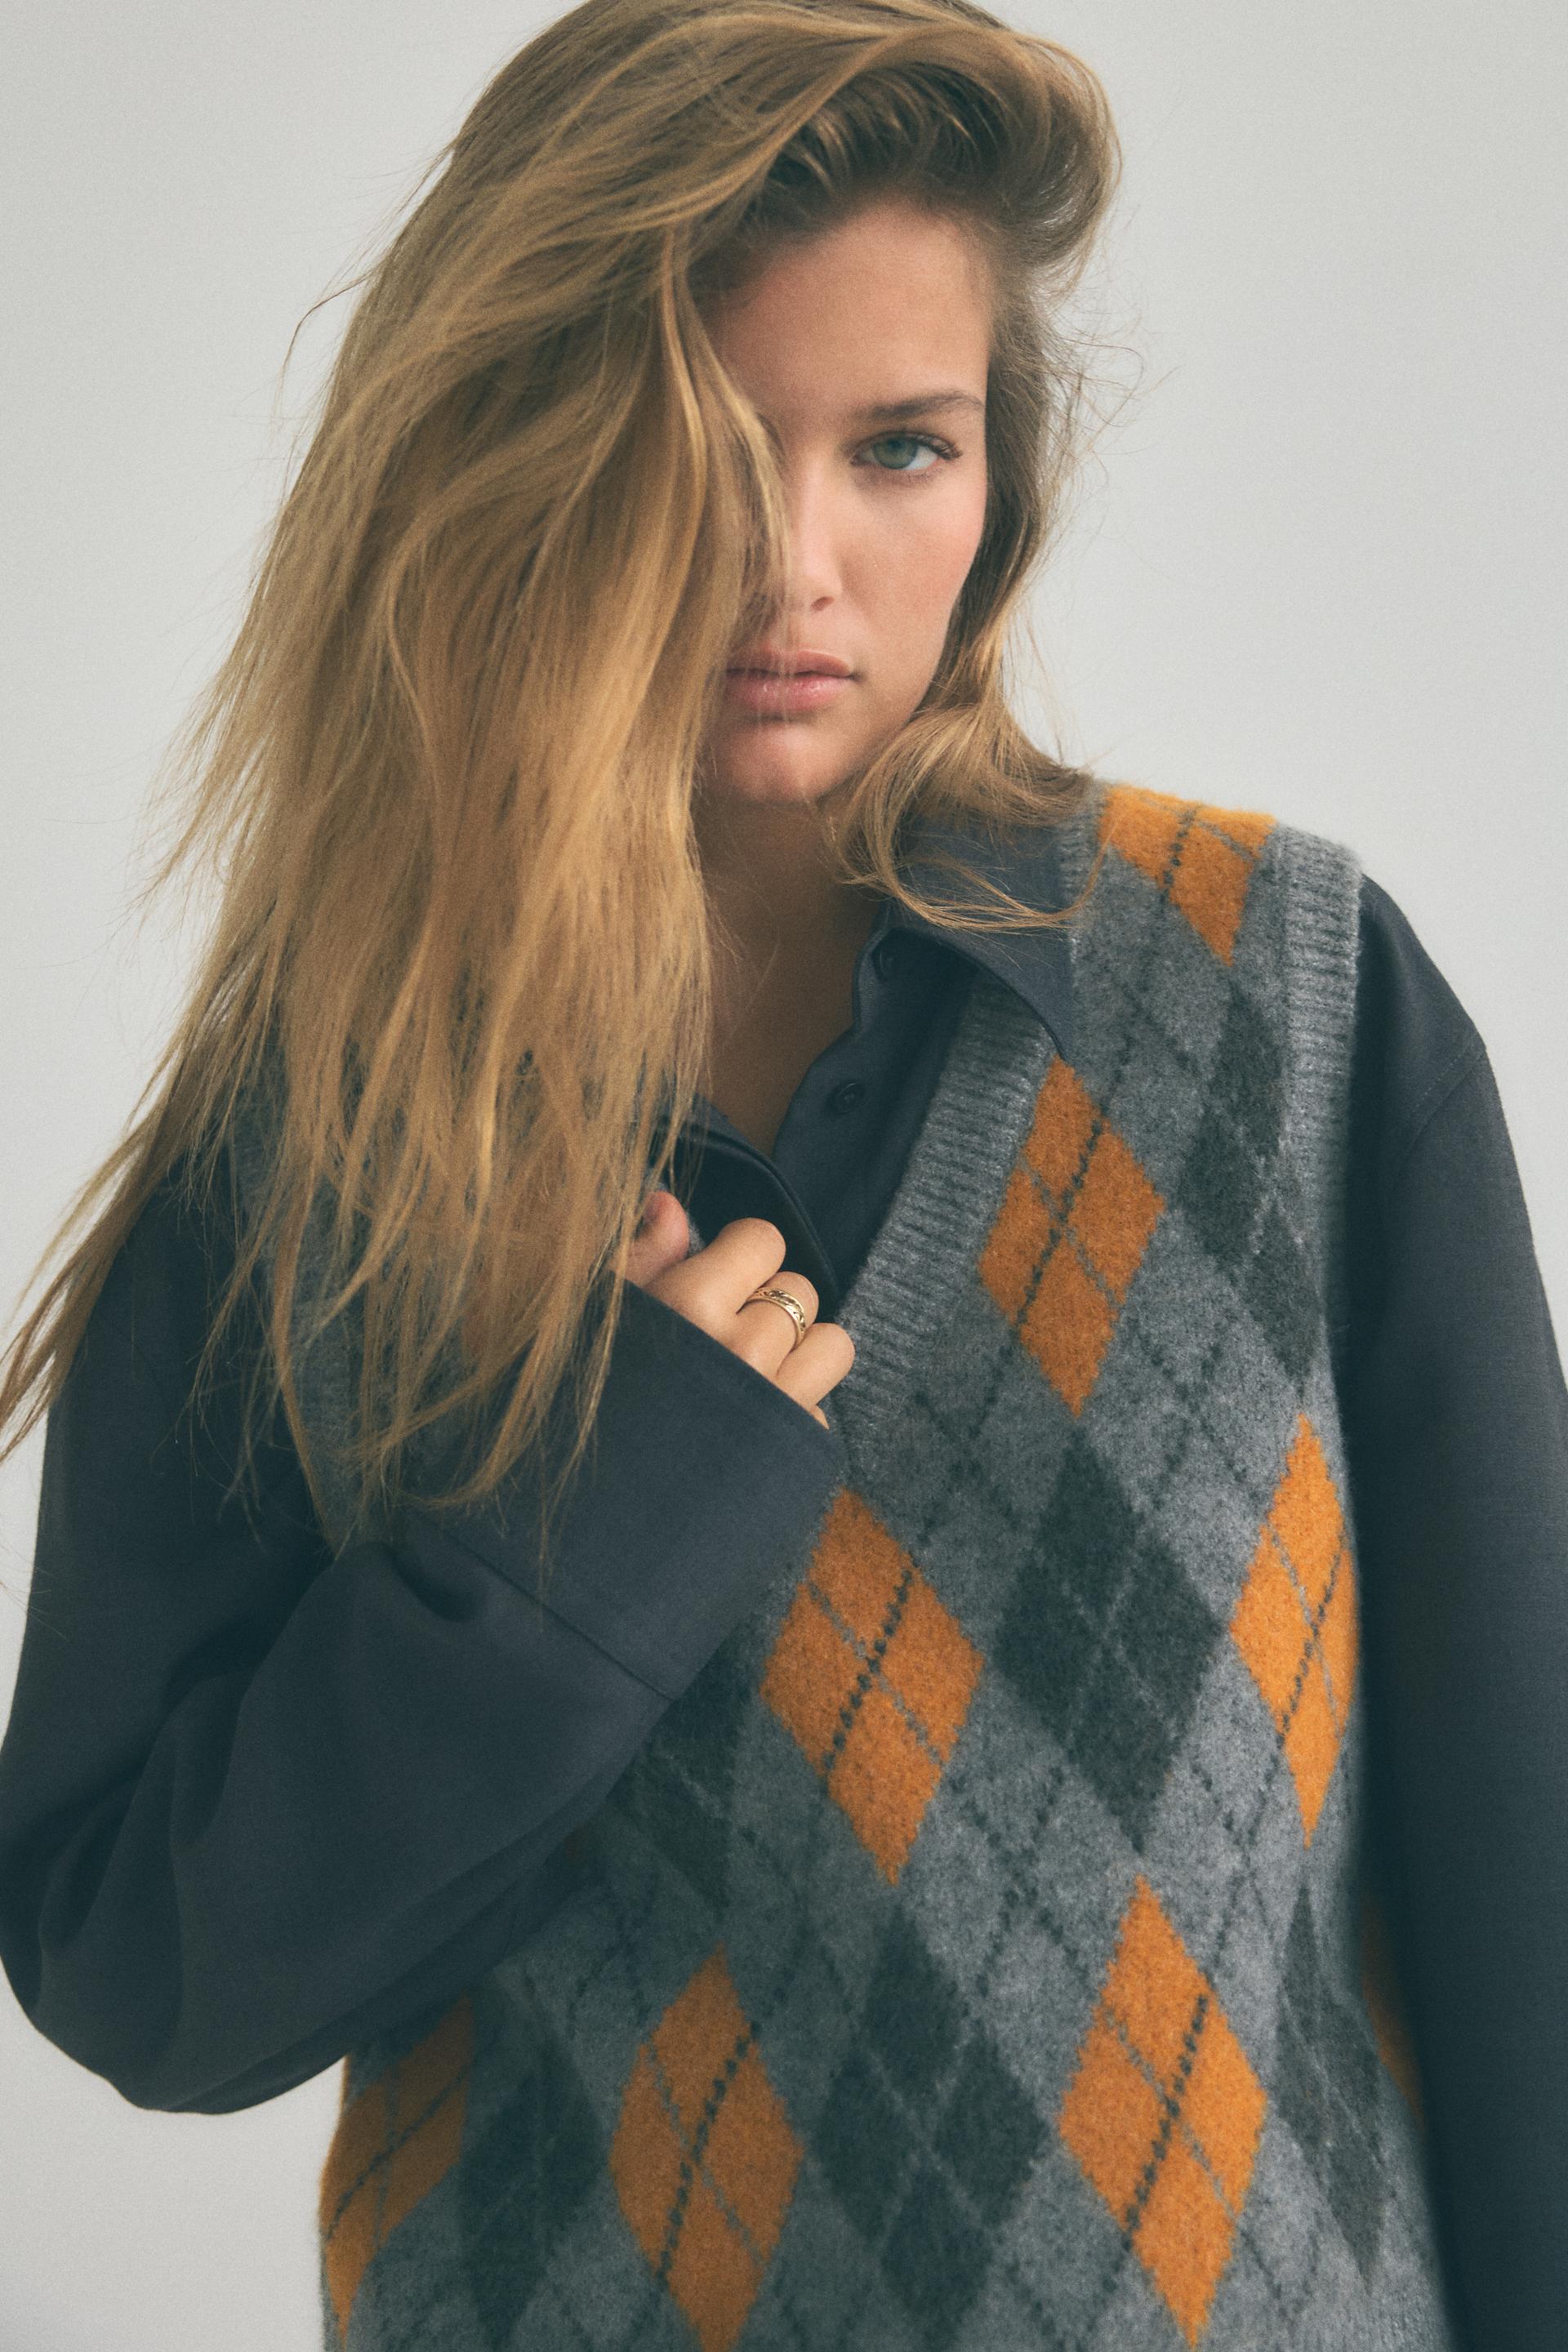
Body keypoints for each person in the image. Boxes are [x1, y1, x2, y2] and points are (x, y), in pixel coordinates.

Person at [0, 2, 1562, 2346]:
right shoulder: (330, 1137)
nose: (790, 562)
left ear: (1002, 485)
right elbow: (151, 1979)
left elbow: (1528, 1880)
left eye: (899, 447)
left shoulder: (1293, 998)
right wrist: (580, 1551)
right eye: (694, 450)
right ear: (519, 457)